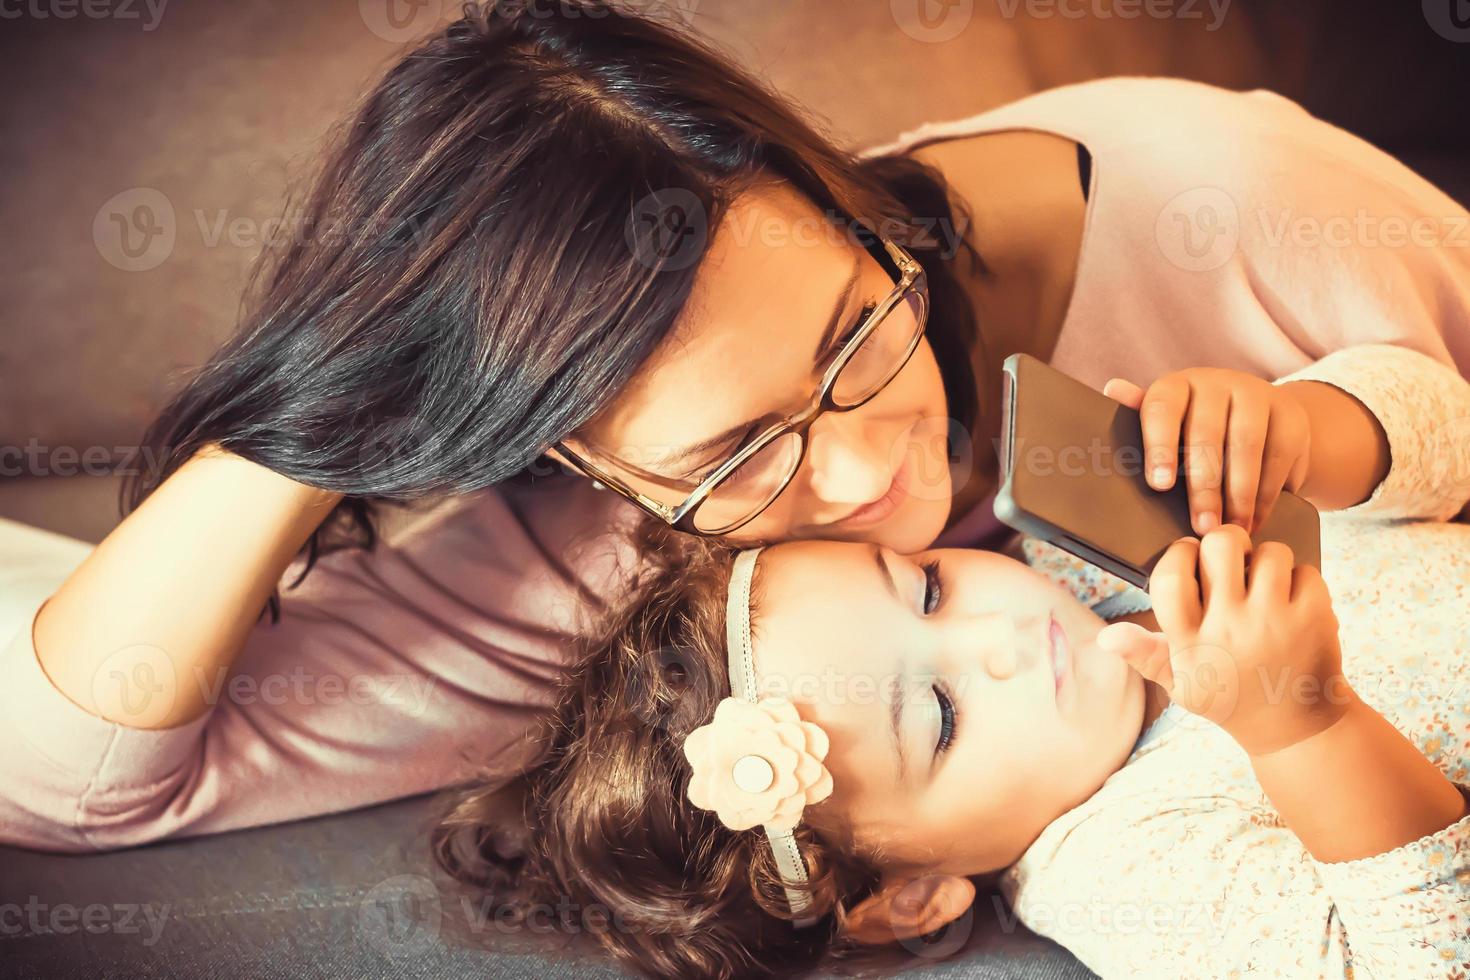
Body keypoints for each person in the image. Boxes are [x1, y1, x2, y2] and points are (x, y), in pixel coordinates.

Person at [5, 0, 1470, 851]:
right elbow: (67, 779)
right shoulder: (593, 559)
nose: (862, 471)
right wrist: (310, 414)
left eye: (853, 336)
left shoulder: (1233, 202)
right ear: (580, 458)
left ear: (843, 197)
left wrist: (1334, 430)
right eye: (730, 453)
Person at [429, 342, 1470, 979]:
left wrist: (1308, 429)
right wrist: (1308, 726)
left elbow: (1449, 439)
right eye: (940, 714)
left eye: (928, 587)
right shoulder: (1124, 868)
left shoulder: (1080, 549)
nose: (1001, 638)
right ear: (915, 894)